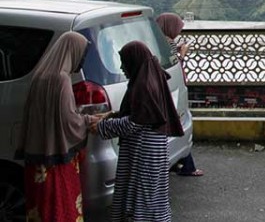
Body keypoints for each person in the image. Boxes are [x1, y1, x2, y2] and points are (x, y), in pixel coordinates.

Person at [91, 41, 184, 222]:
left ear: (133, 61)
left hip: (144, 154)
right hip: (150, 150)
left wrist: (102, 128)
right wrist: (111, 114)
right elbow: (142, 111)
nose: (122, 67)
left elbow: (136, 122)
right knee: (150, 196)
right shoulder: (149, 76)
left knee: (142, 197)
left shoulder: (145, 86)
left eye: (124, 62)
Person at [15, 31, 98, 221]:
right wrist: (88, 120)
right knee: (60, 208)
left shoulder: (40, 75)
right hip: (56, 160)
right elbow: (68, 120)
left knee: (40, 208)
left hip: (36, 160)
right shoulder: (61, 79)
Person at [155, 12, 204, 177]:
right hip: (171, 91)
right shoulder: (167, 43)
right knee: (178, 124)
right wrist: (182, 54)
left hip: (165, 92)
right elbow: (174, 68)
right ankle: (186, 165)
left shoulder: (157, 42)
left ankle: (185, 164)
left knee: (175, 125)